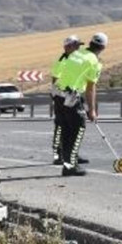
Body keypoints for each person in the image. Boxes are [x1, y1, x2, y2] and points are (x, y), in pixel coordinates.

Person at [55, 33, 107, 176]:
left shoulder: (77, 54)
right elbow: (90, 88)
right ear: (103, 47)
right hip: (71, 96)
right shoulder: (94, 62)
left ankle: (68, 164)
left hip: (58, 95)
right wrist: (92, 110)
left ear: (90, 43)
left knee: (67, 131)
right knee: (78, 129)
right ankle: (70, 166)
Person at [50, 35, 89, 165]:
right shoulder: (62, 61)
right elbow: (55, 81)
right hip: (62, 97)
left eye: (79, 46)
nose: (78, 48)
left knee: (72, 127)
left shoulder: (74, 61)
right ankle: (58, 155)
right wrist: (59, 96)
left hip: (73, 96)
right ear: (67, 47)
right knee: (61, 126)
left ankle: (72, 154)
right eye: (76, 46)